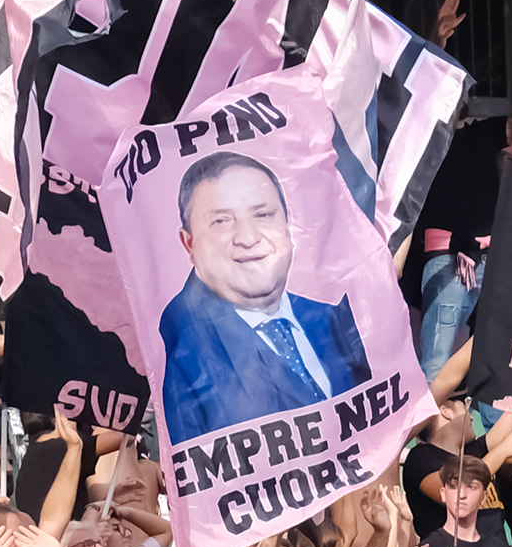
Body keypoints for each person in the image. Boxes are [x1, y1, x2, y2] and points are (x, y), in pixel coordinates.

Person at [155, 152, 371, 436]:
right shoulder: (174, 349)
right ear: (189, 243)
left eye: (264, 215)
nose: (247, 237)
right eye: (221, 221)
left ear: (288, 225)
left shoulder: (333, 317)